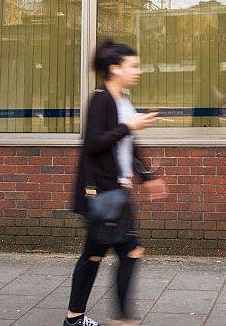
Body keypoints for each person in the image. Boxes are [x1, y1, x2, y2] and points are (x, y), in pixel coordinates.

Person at [65, 40, 167, 326]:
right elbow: (94, 144)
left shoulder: (123, 98)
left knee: (94, 254)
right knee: (128, 250)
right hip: (104, 192)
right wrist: (129, 126)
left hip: (116, 190)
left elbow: (129, 144)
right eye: (133, 66)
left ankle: (75, 319)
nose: (138, 71)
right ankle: (121, 319)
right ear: (115, 69)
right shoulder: (101, 99)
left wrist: (147, 178)